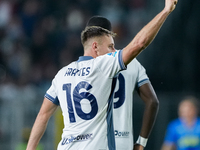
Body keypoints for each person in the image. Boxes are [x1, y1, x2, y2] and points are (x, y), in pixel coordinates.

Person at [26, 0, 178, 149]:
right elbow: (139, 44)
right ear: (95, 47)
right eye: (111, 47)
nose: (114, 51)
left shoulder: (62, 74)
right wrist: (165, 11)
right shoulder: (102, 66)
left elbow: (43, 115)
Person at [86, 16, 159, 150]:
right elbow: (152, 101)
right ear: (110, 35)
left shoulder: (81, 69)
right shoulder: (133, 63)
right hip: (123, 142)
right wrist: (141, 142)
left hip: (91, 142)